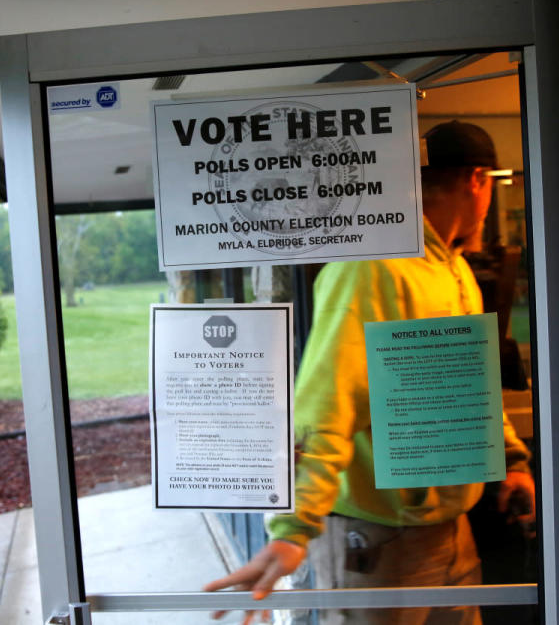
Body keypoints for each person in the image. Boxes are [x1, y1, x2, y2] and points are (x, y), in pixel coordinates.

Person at [204, 121, 536, 625]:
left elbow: (467, 387)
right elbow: (325, 402)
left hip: (451, 532)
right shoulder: (373, 267)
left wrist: (511, 459)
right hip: (379, 547)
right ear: (477, 180)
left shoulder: (454, 269)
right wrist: (294, 527)